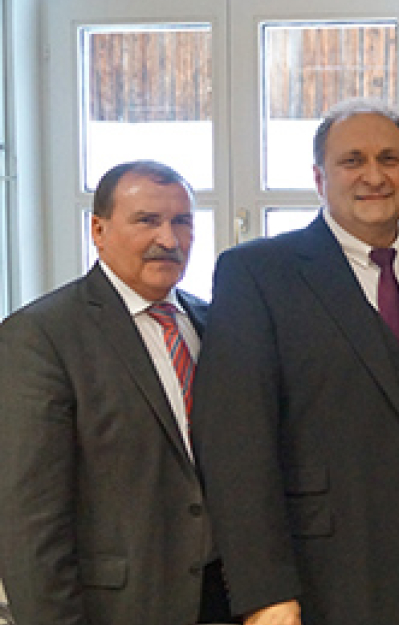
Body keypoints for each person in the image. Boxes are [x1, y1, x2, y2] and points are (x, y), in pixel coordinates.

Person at [191, 98, 399, 625]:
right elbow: (234, 443)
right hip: (315, 577)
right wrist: (264, 590)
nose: (374, 175)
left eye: (390, 159)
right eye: (353, 160)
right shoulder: (257, 274)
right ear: (320, 179)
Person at [0, 160, 233, 625]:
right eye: (147, 220)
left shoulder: (219, 324)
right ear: (98, 230)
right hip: (120, 608)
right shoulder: (40, 337)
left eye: (182, 222)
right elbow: (30, 524)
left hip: (226, 600)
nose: (169, 240)